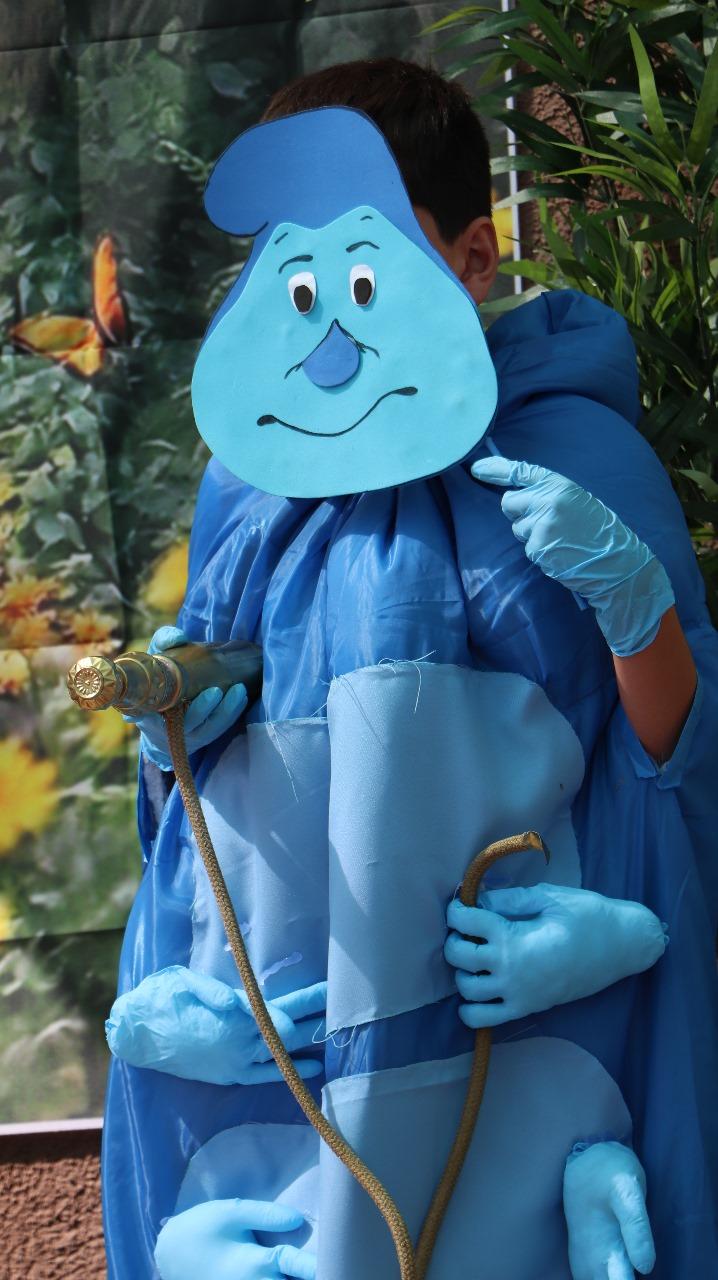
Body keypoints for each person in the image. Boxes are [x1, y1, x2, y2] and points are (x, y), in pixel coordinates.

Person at [103, 60, 718, 1280]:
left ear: (474, 258)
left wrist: (634, 606)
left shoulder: (572, 453)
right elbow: (189, 816)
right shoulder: (250, 481)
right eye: (290, 275)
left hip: (524, 1036)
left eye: (366, 267)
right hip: (299, 1049)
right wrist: (173, 717)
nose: (328, 336)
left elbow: (671, 759)